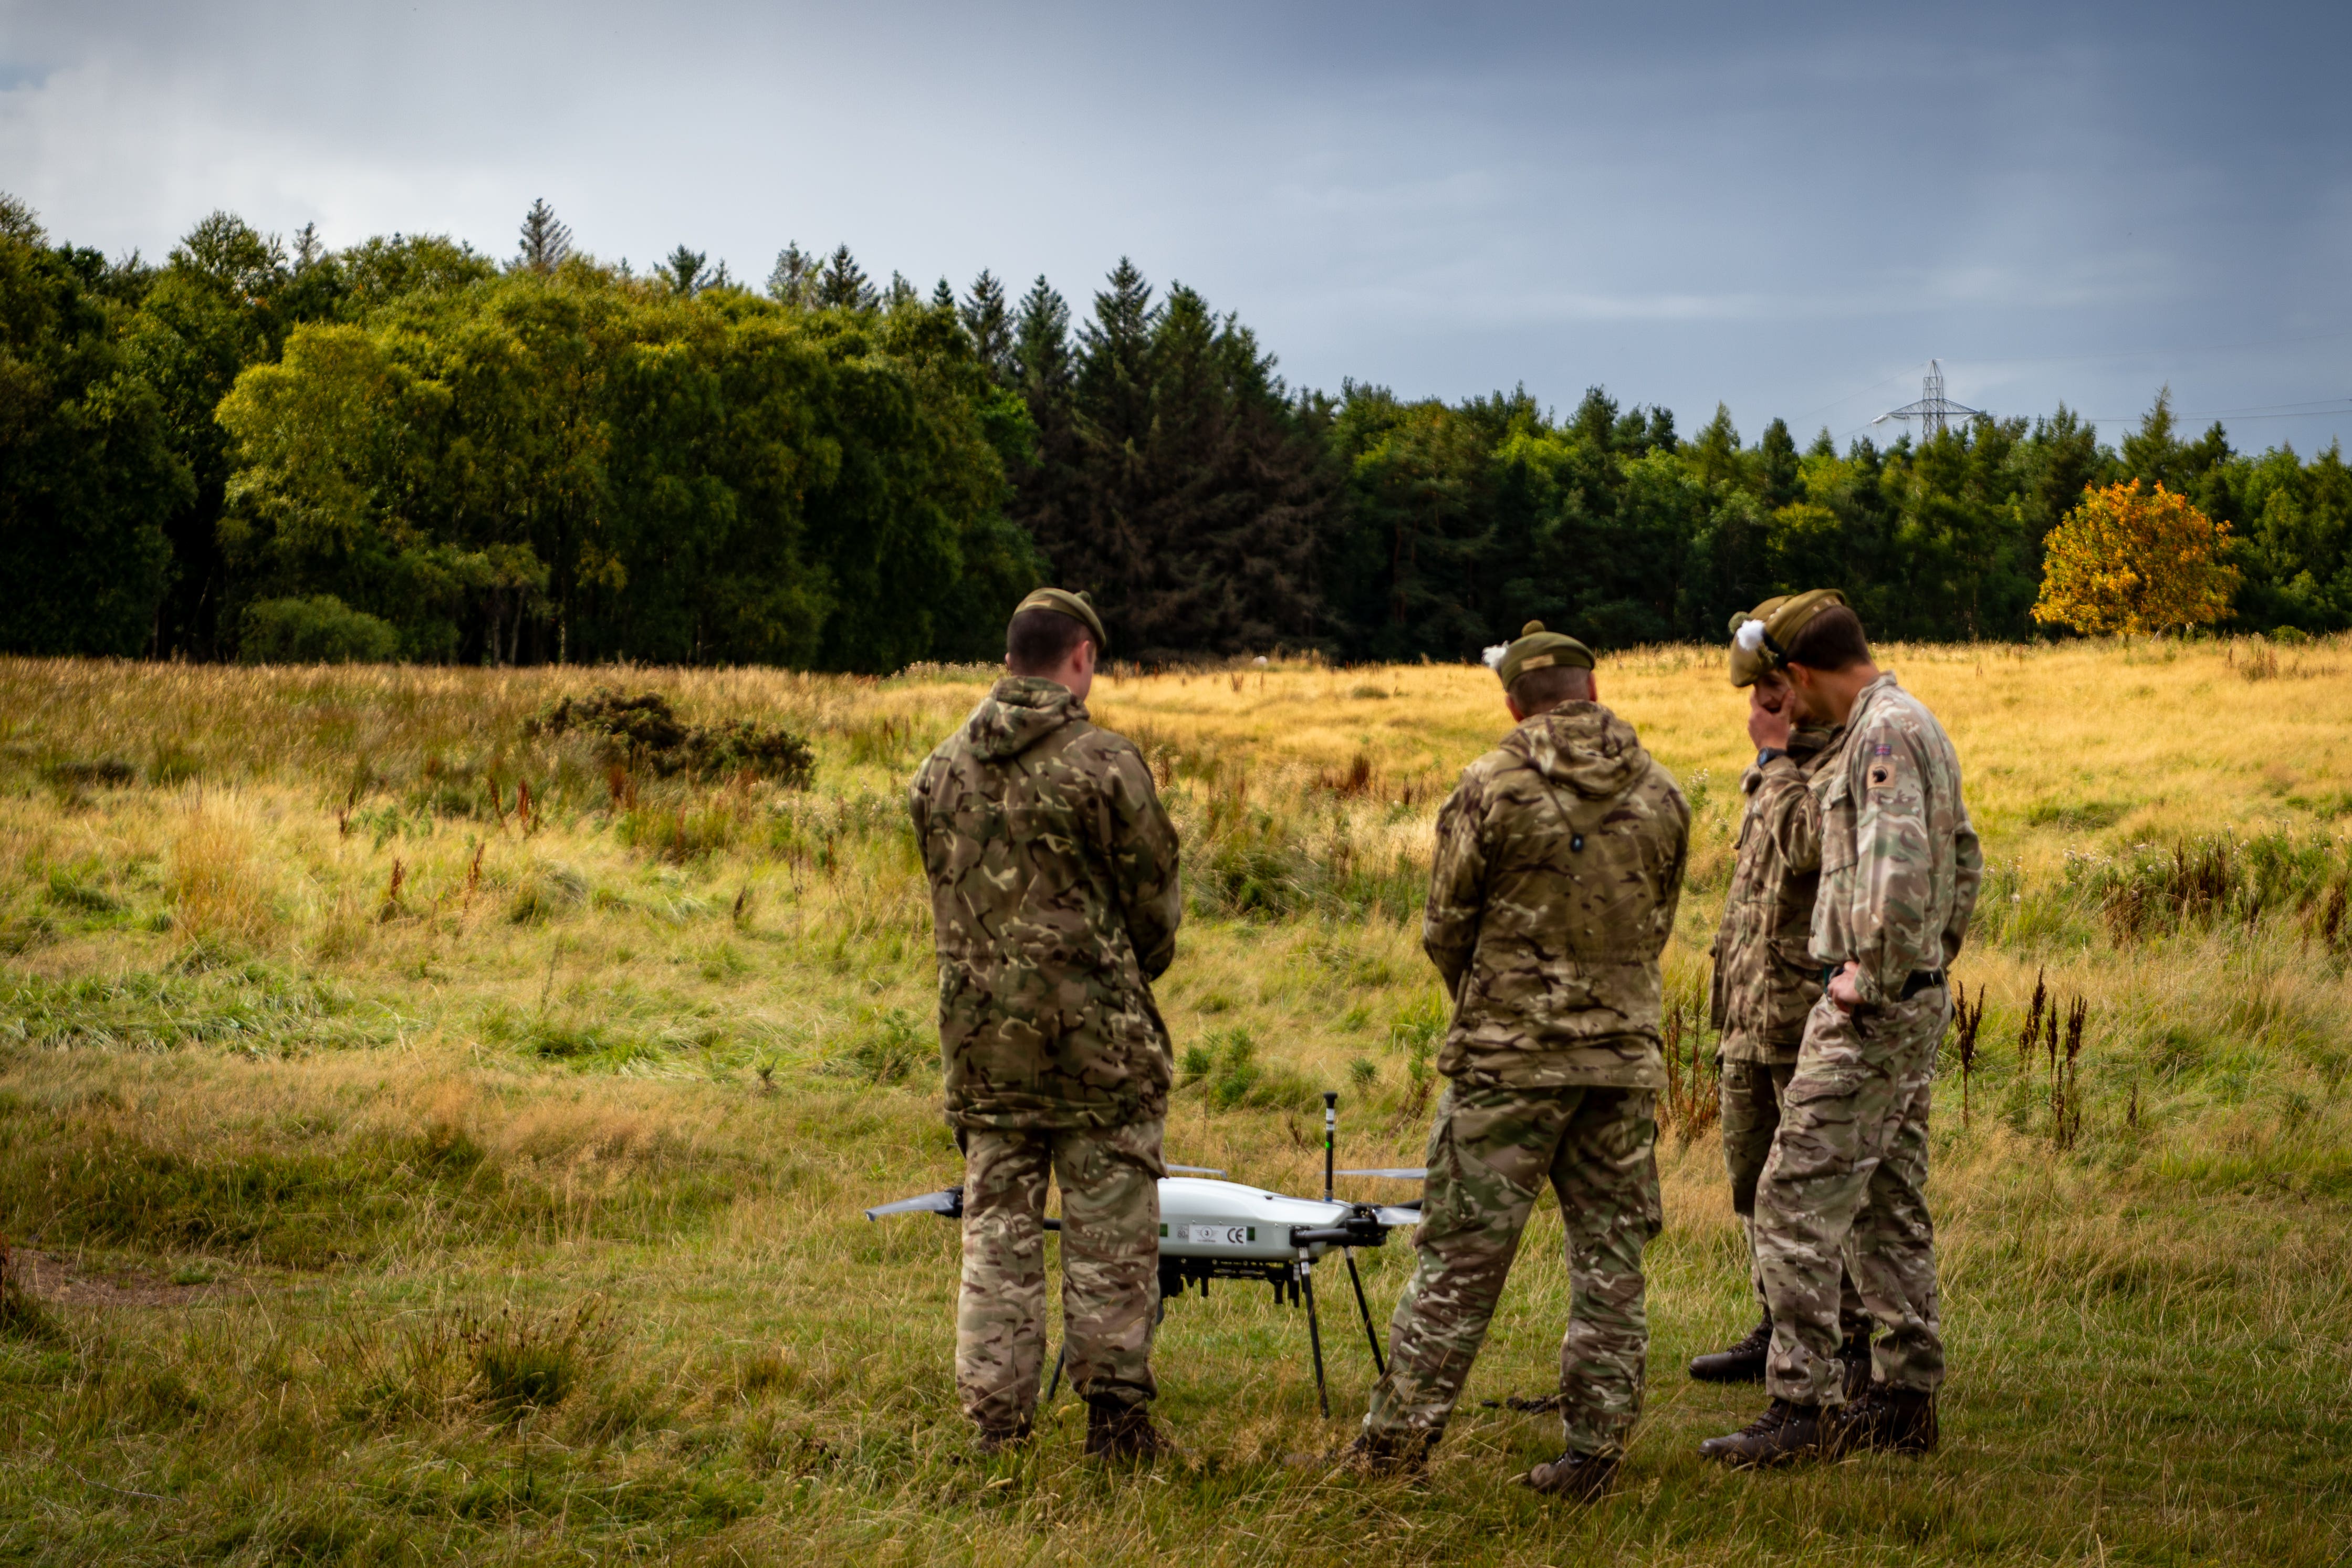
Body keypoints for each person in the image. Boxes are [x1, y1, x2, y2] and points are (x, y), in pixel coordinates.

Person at [1342, 621, 1689, 1501]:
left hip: (1507, 1059)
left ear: (1513, 701)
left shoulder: (1490, 786)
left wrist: (1497, 998)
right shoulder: (1662, 793)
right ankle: (1595, 1453)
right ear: (1595, 689)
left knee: (1460, 1254)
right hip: (1619, 1058)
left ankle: (1397, 1446)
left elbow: (1445, 924)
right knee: (1610, 1257)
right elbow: (1659, 922)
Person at [1700, 593, 1982, 1466]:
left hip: (1873, 1007)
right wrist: (1931, 964)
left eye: (1786, 686)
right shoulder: (1908, 722)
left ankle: (1802, 1404)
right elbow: (1965, 859)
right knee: (1889, 1202)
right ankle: (1903, 1398)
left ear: (1800, 673)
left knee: (1791, 1197)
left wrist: (1879, 975)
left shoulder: (1881, 733)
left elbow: (1900, 869)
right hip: (1908, 996)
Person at [905, 587, 1182, 1461]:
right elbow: (1156, 909)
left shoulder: (939, 769)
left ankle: (996, 1427)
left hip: (986, 1044)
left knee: (997, 1235)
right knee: (1110, 1234)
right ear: (1081, 659)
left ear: (1010, 657)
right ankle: (1116, 1425)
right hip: (1098, 1045)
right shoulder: (1107, 763)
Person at [1691, 595, 1872, 1397]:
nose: (1763, 710)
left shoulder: (1836, 761)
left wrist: (1772, 763)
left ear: (1798, 682)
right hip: (1752, 1011)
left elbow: (1807, 850)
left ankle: (1851, 1339)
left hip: (1807, 1015)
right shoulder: (1788, 761)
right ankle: (1778, 1322)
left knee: (1816, 1193)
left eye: (1772, 693)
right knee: (1753, 1182)